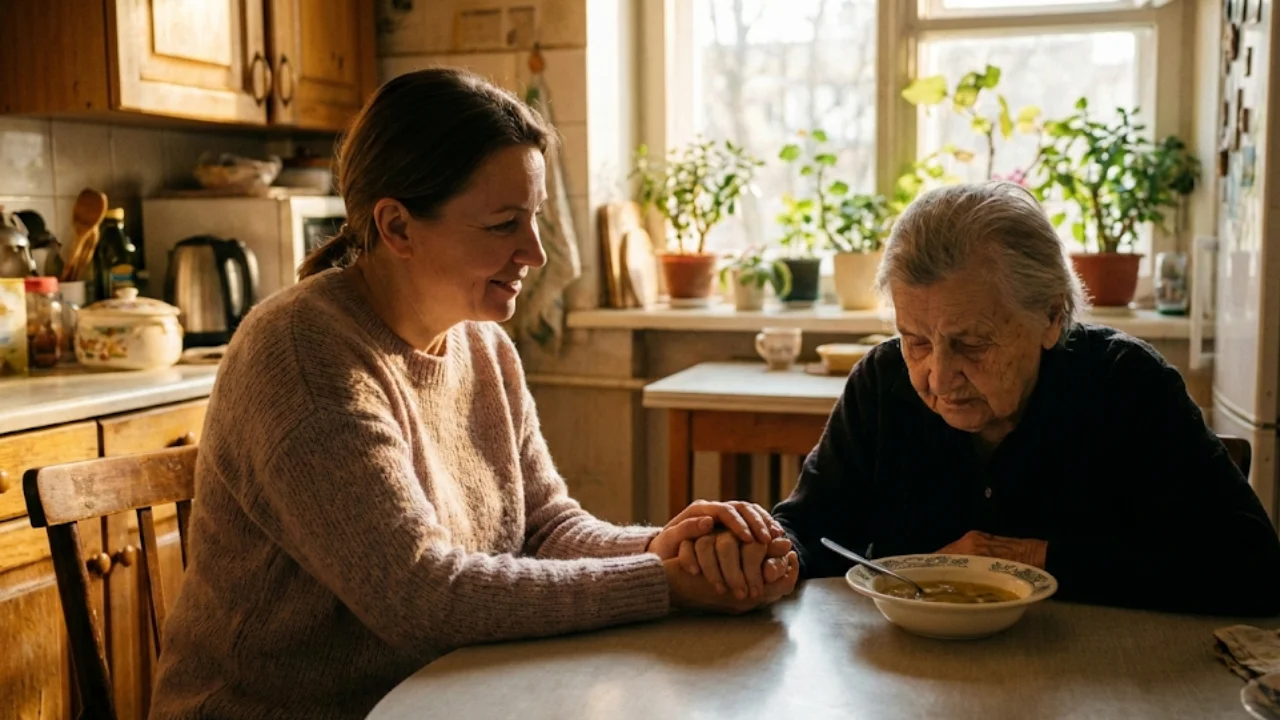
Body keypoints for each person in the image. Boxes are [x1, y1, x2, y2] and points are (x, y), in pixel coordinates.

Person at [150, 68, 798, 720]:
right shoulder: (303, 357)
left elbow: (546, 528)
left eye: (536, 218)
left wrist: (668, 547)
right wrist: (667, 585)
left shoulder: (482, 345)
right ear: (398, 228)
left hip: (445, 697)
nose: (536, 252)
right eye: (502, 224)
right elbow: (423, 597)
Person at [773, 181, 1280, 616]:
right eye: (917, 341)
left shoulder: (1127, 384)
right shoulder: (882, 383)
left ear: (1052, 317)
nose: (940, 376)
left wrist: (1033, 557)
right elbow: (812, 530)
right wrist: (755, 552)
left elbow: (1254, 569)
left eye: (972, 343)